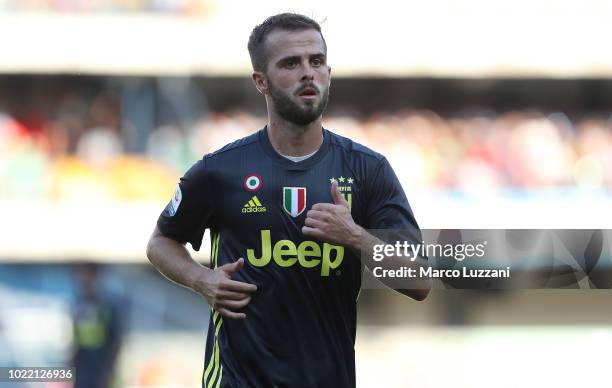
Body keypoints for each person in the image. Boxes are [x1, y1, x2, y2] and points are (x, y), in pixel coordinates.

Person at [146, 13, 430, 388]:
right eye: (290, 63)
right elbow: (160, 242)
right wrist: (201, 279)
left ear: (329, 72)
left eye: (316, 61)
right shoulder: (219, 170)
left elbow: (419, 280)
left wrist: (355, 237)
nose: (307, 73)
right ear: (260, 81)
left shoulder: (368, 169)